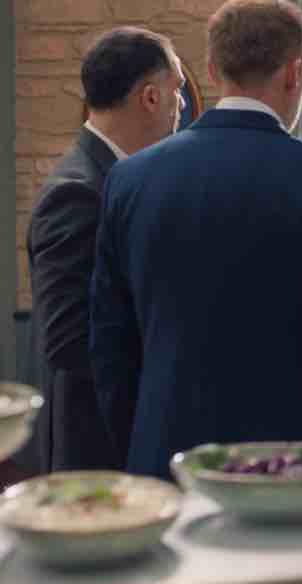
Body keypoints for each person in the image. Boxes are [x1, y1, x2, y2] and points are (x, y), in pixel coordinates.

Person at [90, 0, 302, 479]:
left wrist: (139, 444)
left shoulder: (129, 180)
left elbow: (110, 345)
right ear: (296, 73)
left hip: (163, 455)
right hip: (289, 468)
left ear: (212, 70)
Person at [24, 27, 183, 473]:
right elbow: (67, 339)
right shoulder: (78, 191)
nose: (181, 106)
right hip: (98, 447)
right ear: (150, 97)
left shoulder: (113, 178)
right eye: (177, 91)